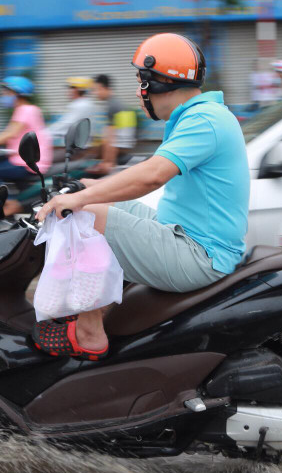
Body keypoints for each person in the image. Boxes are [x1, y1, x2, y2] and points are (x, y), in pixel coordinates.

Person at [32, 34, 250, 359]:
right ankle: (98, 309)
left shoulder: (204, 119)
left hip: (199, 253)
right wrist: (85, 187)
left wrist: (77, 201)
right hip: (182, 233)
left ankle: (90, 330)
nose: (137, 92)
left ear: (160, 82)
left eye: (140, 82)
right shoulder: (197, 115)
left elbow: (152, 175)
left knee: (85, 214)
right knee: (95, 201)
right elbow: (144, 171)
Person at [0, 76, 52, 215]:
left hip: (28, 162)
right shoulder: (28, 109)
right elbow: (10, 133)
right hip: (27, 157)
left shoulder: (24, 110)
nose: (4, 95)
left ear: (17, 93)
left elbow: (10, 133)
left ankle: (10, 202)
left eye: (7, 92)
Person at [90, 74, 138, 174]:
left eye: (96, 90)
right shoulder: (119, 104)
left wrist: (108, 163)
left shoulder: (112, 106)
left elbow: (111, 139)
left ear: (102, 87)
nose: (95, 93)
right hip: (125, 151)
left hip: (118, 155)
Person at [46, 76, 102, 142]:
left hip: (77, 148)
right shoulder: (84, 104)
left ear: (77, 90)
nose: (69, 91)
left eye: (71, 88)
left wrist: (43, 135)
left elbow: (65, 125)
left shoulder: (81, 106)